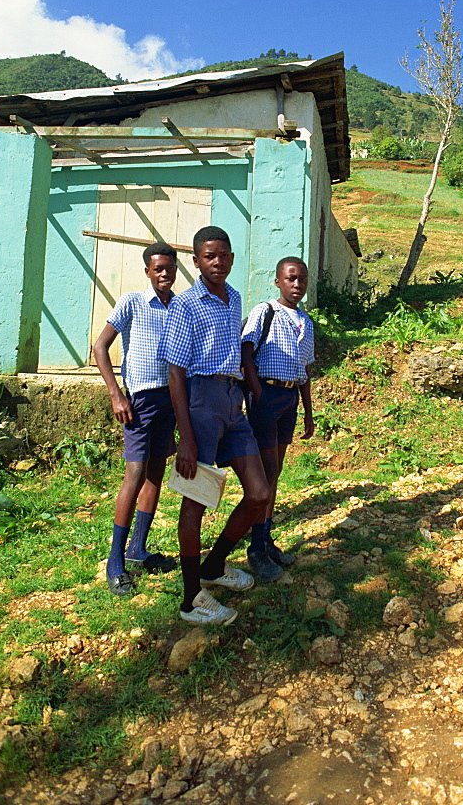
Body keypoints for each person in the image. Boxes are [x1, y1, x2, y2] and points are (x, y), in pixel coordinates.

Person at [157, 225, 275, 628]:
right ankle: (192, 599)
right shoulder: (186, 305)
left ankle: (214, 565)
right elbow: (174, 372)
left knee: (259, 493)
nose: (218, 262)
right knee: (197, 499)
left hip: (232, 402)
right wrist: (185, 436)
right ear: (196, 261)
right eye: (210, 256)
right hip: (201, 403)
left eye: (224, 255)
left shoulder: (234, 298)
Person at [93, 242, 179, 597]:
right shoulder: (132, 303)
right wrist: (116, 394)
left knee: (156, 471)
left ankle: (138, 549)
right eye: (157, 268)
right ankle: (116, 560)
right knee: (135, 473)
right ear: (147, 271)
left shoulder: (179, 306)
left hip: (170, 399)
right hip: (139, 400)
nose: (164, 273)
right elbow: (100, 347)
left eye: (169, 268)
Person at [241, 257, 315, 573]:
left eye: (302, 279)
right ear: (278, 282)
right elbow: (246, 352)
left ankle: (265, 537)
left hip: (289, 398)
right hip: (266, 395)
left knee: (276, 470)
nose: (297, 284)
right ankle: (256, 548)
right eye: (291, 278)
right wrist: (258, 394)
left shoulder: (306, 322)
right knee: (267, 469)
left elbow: (305, 370)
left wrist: (309, 413)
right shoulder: (265, 311)